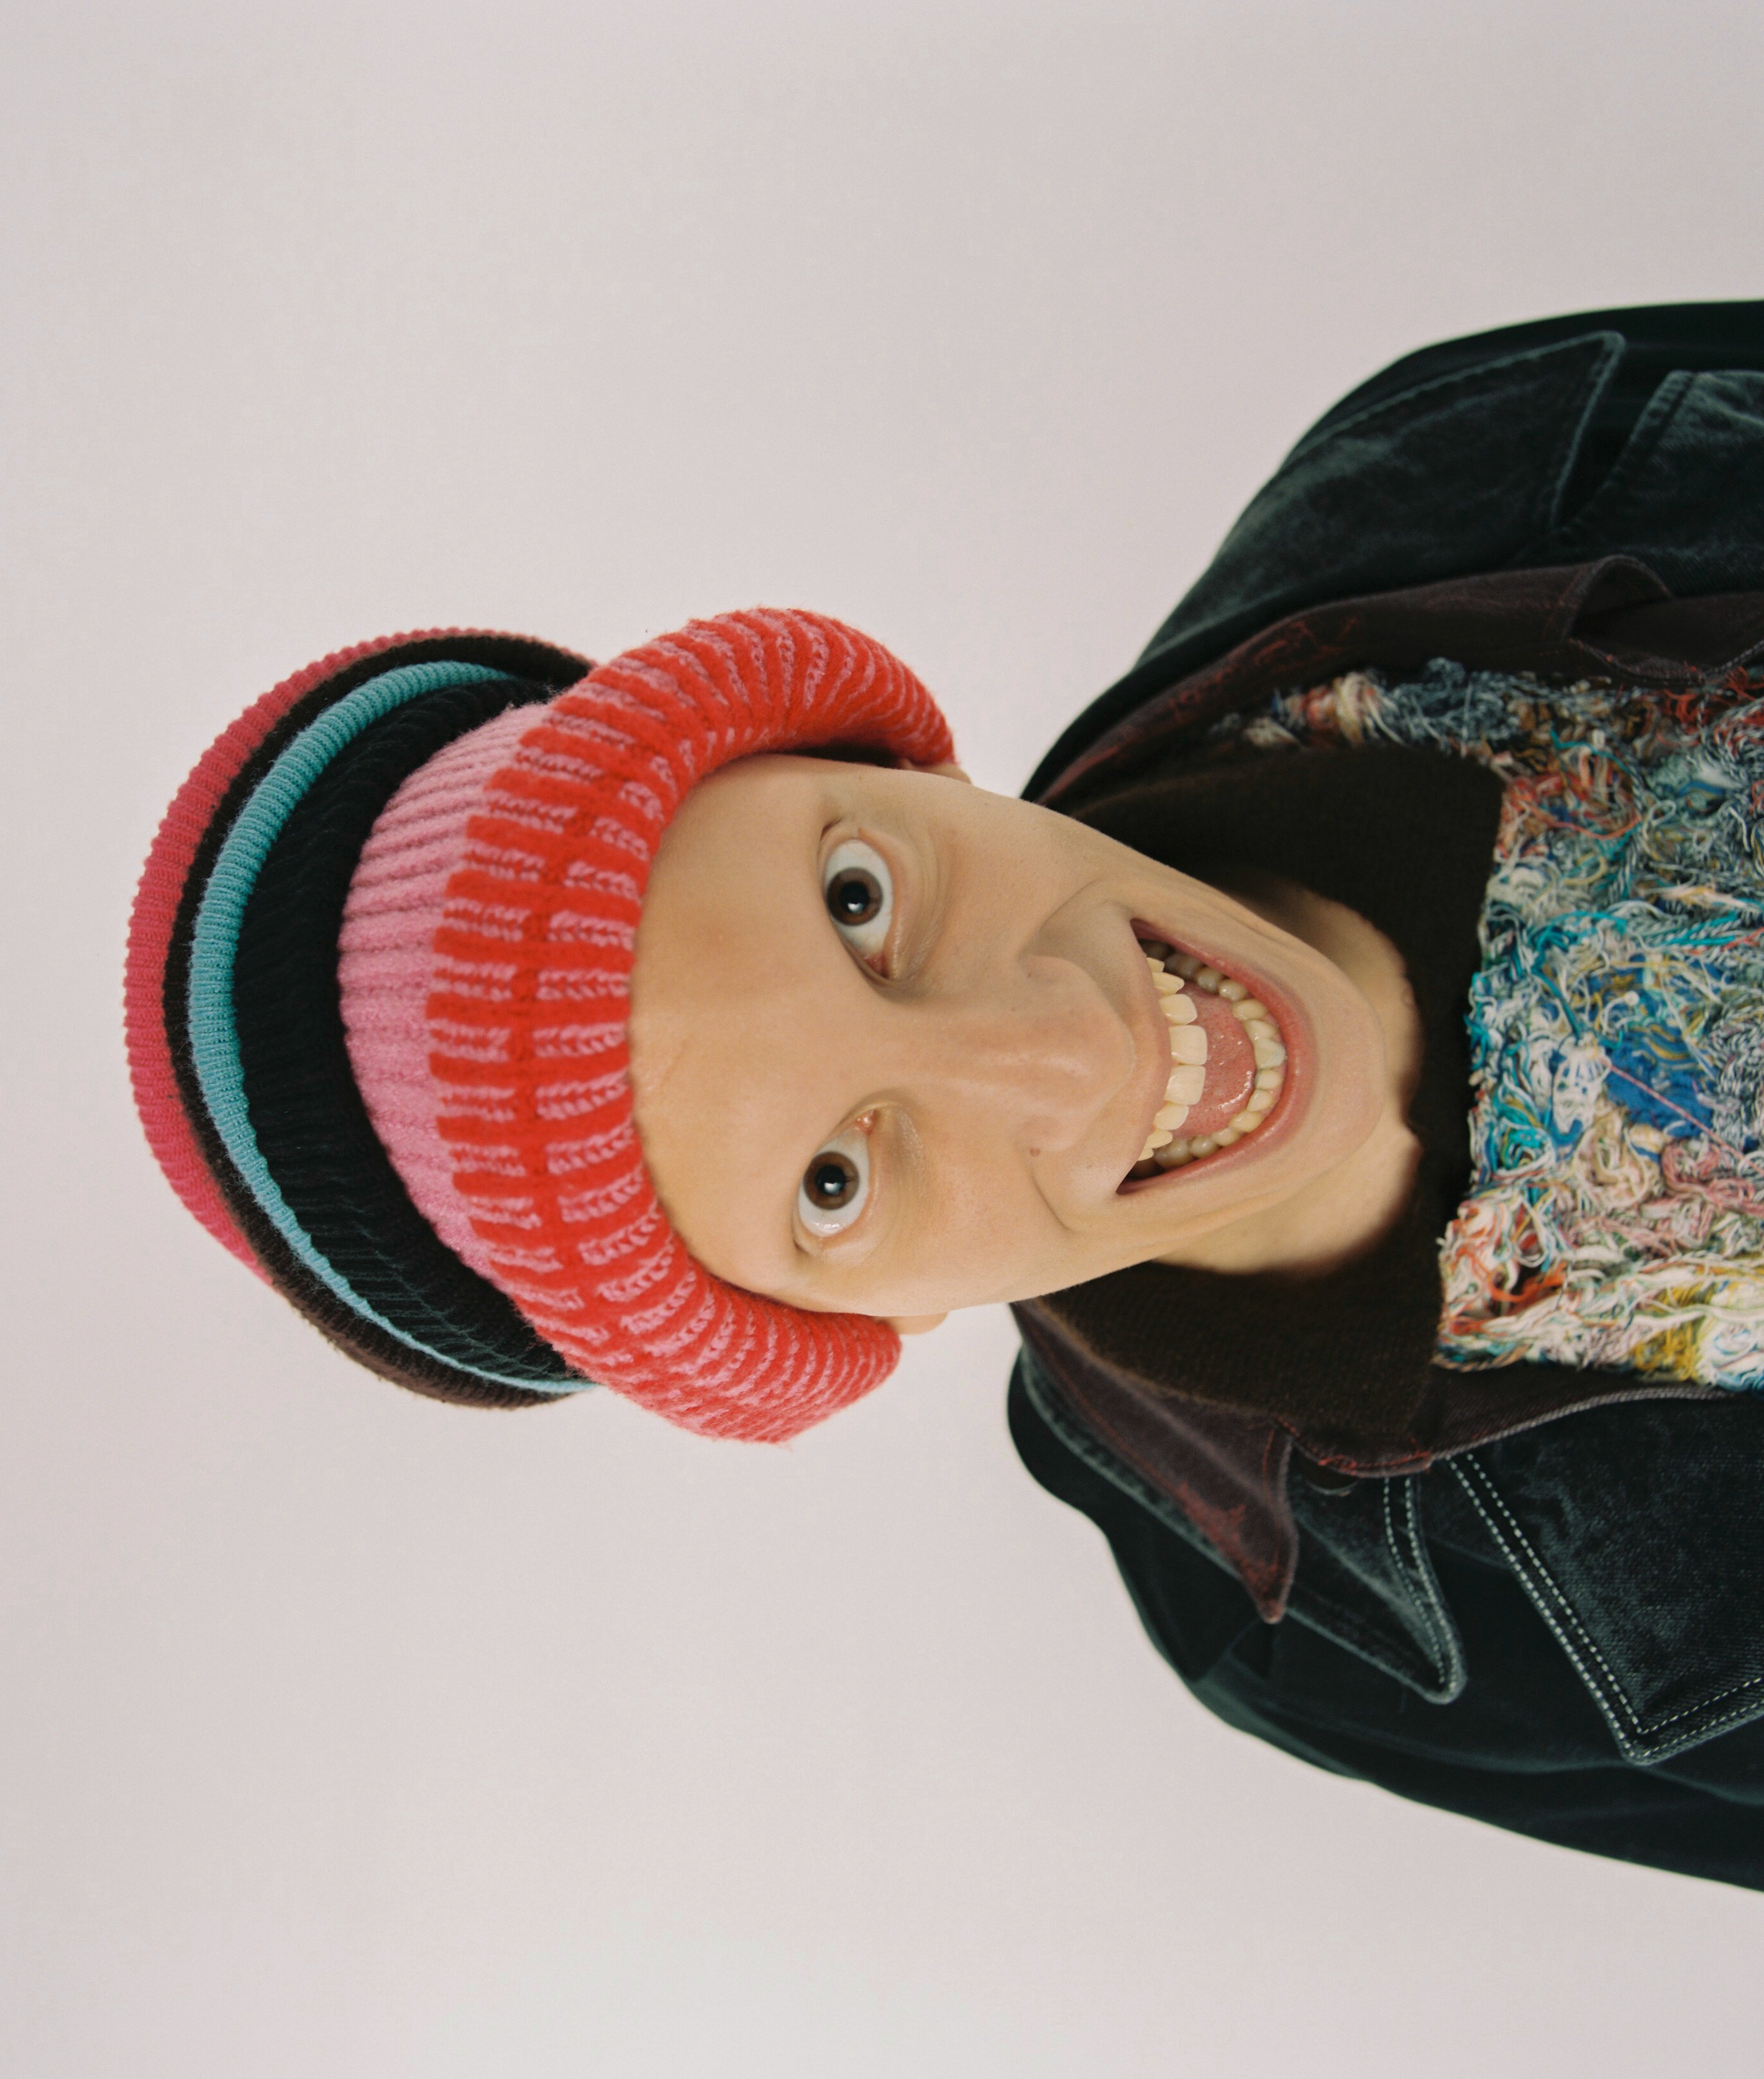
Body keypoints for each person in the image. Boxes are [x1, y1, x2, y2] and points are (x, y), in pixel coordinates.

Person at [128, 302, 1764, 1889]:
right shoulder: (1342, 1649)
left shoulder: (1457, 473)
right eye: (833, 1182)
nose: (1066, 1053)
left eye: (858, 903)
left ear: (887, 765)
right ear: (845, 1326)